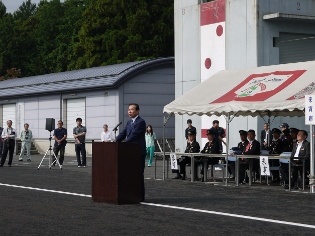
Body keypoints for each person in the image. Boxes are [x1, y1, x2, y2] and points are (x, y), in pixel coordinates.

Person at [116, 103, 146, 202]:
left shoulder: (141, 122)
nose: (129, 111)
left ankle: (140, 196)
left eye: (132, 110)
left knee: (138, 174)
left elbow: (134, 135)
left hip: (138, 152)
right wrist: (114, 142)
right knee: (130, 174)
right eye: (128, 109)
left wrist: (124, 143)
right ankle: (131, 195)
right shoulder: (129, 123)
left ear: (137, 111)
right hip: (130, 152)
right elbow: (123, 133)